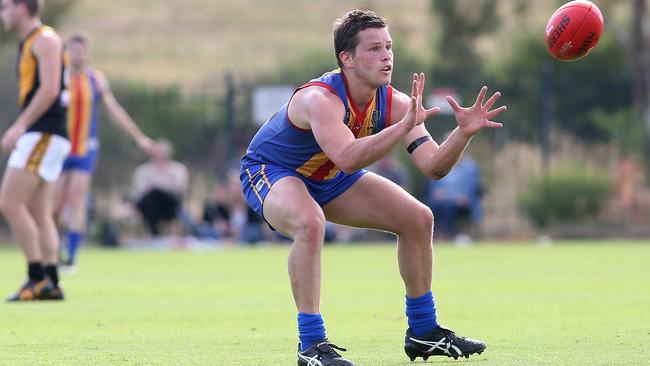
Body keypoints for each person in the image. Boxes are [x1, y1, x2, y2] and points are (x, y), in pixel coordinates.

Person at [239, 10, 507, 365]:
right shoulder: (320, 99)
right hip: (271, 171)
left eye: (389, 47)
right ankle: (311, 346)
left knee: (418, 218)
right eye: (374, 49)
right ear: (346, 58)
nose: (386, 56)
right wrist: (402, 127)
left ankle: (423, 332)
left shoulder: (394, 103)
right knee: (310, 222)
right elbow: (349, 157)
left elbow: (434, 166)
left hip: (328, 177)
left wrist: (462, 134)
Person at [54, 33, 156, 268]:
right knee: (56, 203)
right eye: (72, 49)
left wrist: (139, 138)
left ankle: (71, 257)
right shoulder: (59, 77)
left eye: (81, 50)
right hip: (59, 148)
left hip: (84, 149)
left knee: (76, 199)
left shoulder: (96, 80)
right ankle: (54, 251)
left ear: (88, 54)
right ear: (66, 52)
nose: (77, 54)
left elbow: (115, 111)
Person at [0, 0, 70, 301]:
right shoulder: (31, 41)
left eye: (5, 7)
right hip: (45, 134)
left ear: (21, 7)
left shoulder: (45, 39)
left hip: (43, 131)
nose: (2, 14)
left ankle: (35, 277)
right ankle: (51, 281)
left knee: (9, 203)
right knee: (38, 211)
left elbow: (50, 88)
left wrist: (20, 125)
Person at [131, 138, 188, 237]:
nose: (161, 155)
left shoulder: (179, 170)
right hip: (149, 205)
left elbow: (179, 190)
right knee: (152, 197)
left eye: (164, 152)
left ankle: (155, 233)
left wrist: (159, 189)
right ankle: (154, 233)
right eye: (159, 152)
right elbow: (140, 191)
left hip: (169, 205)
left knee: (156, 193)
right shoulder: (143, 170)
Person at [426, 154, 483, 241]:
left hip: (461, 203)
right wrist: (436, 193)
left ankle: (449, 234)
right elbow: (433, 189)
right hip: (443, 201)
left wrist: (466, 198)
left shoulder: (470, 169)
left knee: (449, 208)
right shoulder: (440, 167)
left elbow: (473, 189)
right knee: (432, 208)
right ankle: (438, 234)